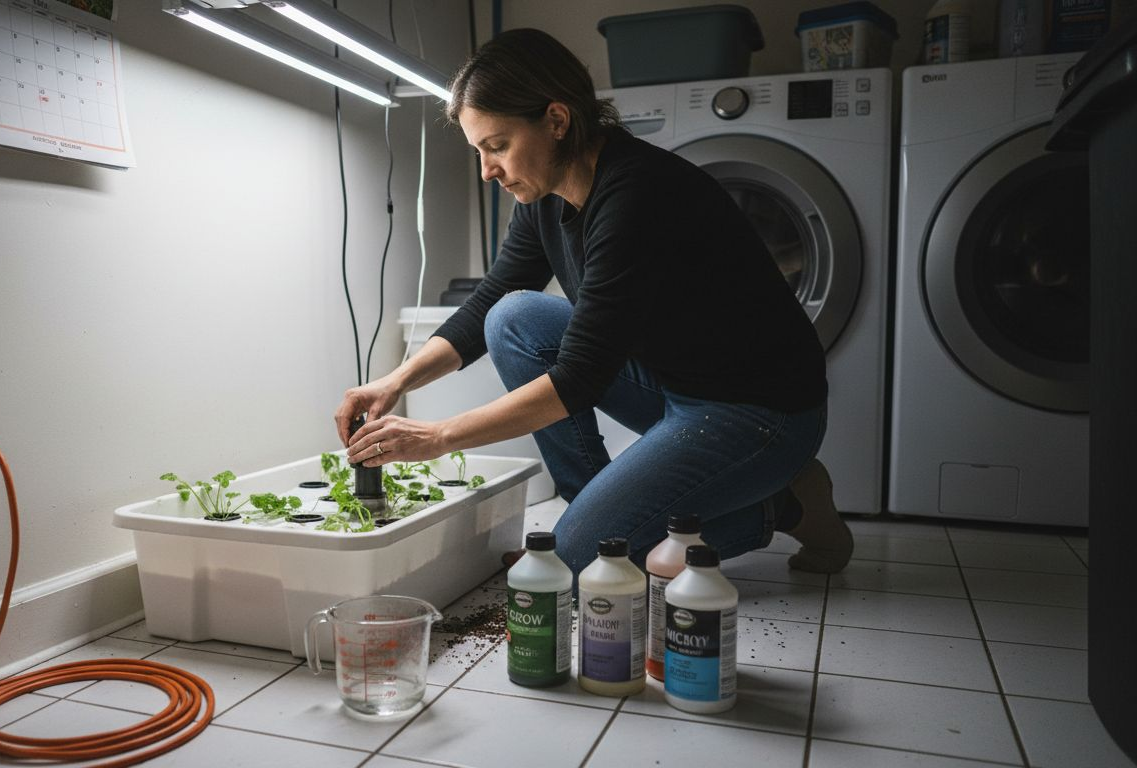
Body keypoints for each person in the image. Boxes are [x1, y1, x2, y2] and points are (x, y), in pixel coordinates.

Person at [335, 28, 853, 576]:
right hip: (677, 385)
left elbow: (580, 377)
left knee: (581, 559)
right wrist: (397, 381)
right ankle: (594, 511)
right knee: (513, 317)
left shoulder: (635, 196)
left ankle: (786, 505)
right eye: (480, 150)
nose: (488, 171)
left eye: (497, 145)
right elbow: (491, 299)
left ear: (556, 121)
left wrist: (437, 436)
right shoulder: (545, 194)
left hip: (757, 410)